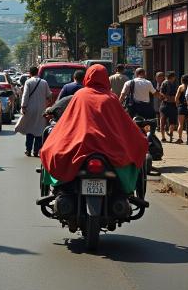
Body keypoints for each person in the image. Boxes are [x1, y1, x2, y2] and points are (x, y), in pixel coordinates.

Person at [40, 65, 148, 195]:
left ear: (87, 78)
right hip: (110, 150)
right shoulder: (111, 97)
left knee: (50, 148)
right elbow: (124, 124)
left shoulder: (80, 95)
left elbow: (67, 121)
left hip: (79, 146)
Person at [15, 66, 52, 157]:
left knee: (30, 130)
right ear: (38, 72)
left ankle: (28, 150)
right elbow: (49, 95)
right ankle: (36, 150)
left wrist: (23, 106)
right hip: (41, 109)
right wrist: (48, 104)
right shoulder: (44, 82)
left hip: (30, 109)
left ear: (30, 73)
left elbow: (25, 95)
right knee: (39, 130)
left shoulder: (28, 82)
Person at [159, 72, 178, 143]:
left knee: (162, 121)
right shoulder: (173, 84)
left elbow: (161, 94)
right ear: (172, 77)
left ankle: (163, 137)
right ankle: (170, 134)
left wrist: (165, 98)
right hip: (172, 104)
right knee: (172, 122)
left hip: (164, 104)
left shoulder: (163, 83)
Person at [175, 74, 188, 144]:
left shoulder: (181, 87)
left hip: (181, 107)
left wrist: (177, 105)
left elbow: (176, 98)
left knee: (180, 124)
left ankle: (179, 138)